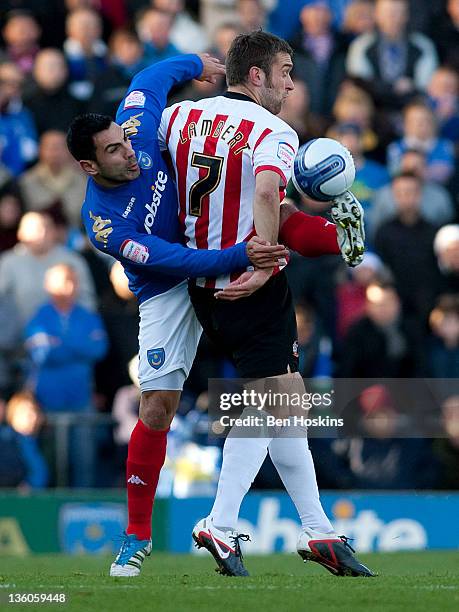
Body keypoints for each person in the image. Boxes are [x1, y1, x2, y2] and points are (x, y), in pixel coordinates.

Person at [67, 52, 290, 576]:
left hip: (211, 237)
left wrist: (197, 64)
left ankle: (296, 521)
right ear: (89, 167)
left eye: (126, 140)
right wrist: (244, 255)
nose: (132, 153)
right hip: (169, 288)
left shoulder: (140, 128)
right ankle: (136, 535)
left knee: (279, 386)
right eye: (115, 152)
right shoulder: (103, 223)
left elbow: (148, 78)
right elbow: (173, 261)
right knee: (157, 408)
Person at [160, 31, 372, 578]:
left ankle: (320, 531)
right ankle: (221, 523)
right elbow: (265, 195)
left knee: (287, 405)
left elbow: (273, 207)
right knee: (277, 402)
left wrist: (330, 238)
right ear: (256, 75)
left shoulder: (180, 117)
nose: (290, 82)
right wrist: (263, 266)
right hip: (248, 281)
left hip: (201, 276)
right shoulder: (273, 129)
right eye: (284, 70)